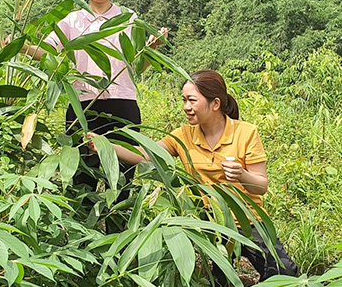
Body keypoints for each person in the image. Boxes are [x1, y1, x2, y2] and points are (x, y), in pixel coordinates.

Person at [88, 70, 299, 284]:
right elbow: (147, 154)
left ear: (215, 103)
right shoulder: (184, 134)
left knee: (285, 275)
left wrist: (242, 174)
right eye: (184, 100)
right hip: (211, 224)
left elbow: (261, 185)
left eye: (192, 100)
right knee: (219, 281)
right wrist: (106, 146)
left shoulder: (246, 132)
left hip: (249, 222)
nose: (186, 107)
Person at [6, 0, 167, 204]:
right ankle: (82, 236)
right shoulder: (73, 19)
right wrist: (23, 47)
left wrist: (152, 48)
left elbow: (137, 67)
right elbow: (50, 51)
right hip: (83, 106)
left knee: (121, 177)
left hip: (122, 103)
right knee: (83, 177)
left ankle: (119, 232)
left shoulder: (128, 18)